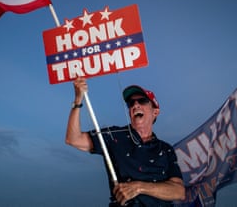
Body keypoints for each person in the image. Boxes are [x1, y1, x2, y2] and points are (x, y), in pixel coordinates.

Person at [65, 77, 185, 207]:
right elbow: (73, 139)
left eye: (142, 101)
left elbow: (179, 191)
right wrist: (78, 101)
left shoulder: (165, 149)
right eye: (130, 103)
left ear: (155, 112)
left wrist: (139, 187)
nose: (135, 105)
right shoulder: (114, 136)